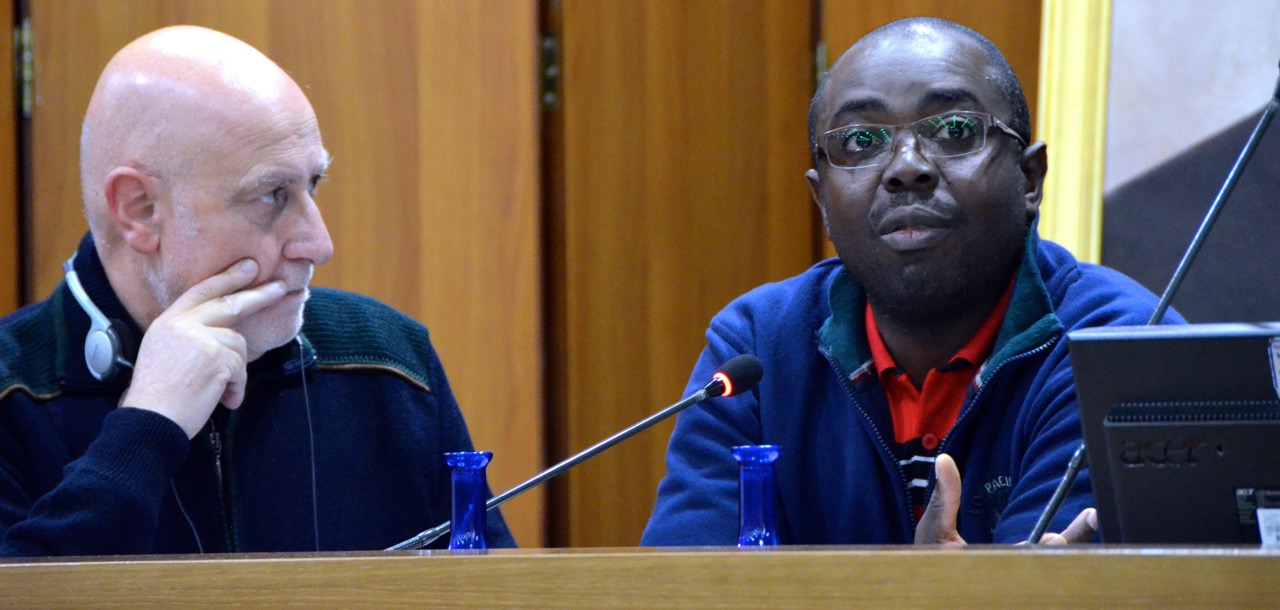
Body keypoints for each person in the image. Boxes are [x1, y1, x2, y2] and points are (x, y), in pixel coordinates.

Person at [642, 17, 1182, 546]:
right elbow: (682, 581)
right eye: (860, 140)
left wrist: (937, 588)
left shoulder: (1122, 348)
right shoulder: (758, 348)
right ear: (822, 201)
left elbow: (1042, 585)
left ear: (1029, 179)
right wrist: (926, 587)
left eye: (954, 130)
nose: (905, 168)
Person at [0, 26, 513, 556]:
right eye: (272, 195)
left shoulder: (389, 360)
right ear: (140, 210)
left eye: (312, 184)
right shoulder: (11, 393)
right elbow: (23, 590)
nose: (318, 244)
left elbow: (492, 588)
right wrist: (146, 427)